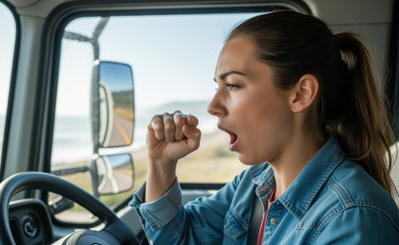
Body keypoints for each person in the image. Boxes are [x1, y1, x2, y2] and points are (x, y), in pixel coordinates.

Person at [130, 11, 399, 244]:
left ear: (301, 94)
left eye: (233, 85)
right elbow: (178, 239)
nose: (213, 106)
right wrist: (161, 164)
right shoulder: (253, 185)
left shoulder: (353, 217)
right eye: (217, 87)